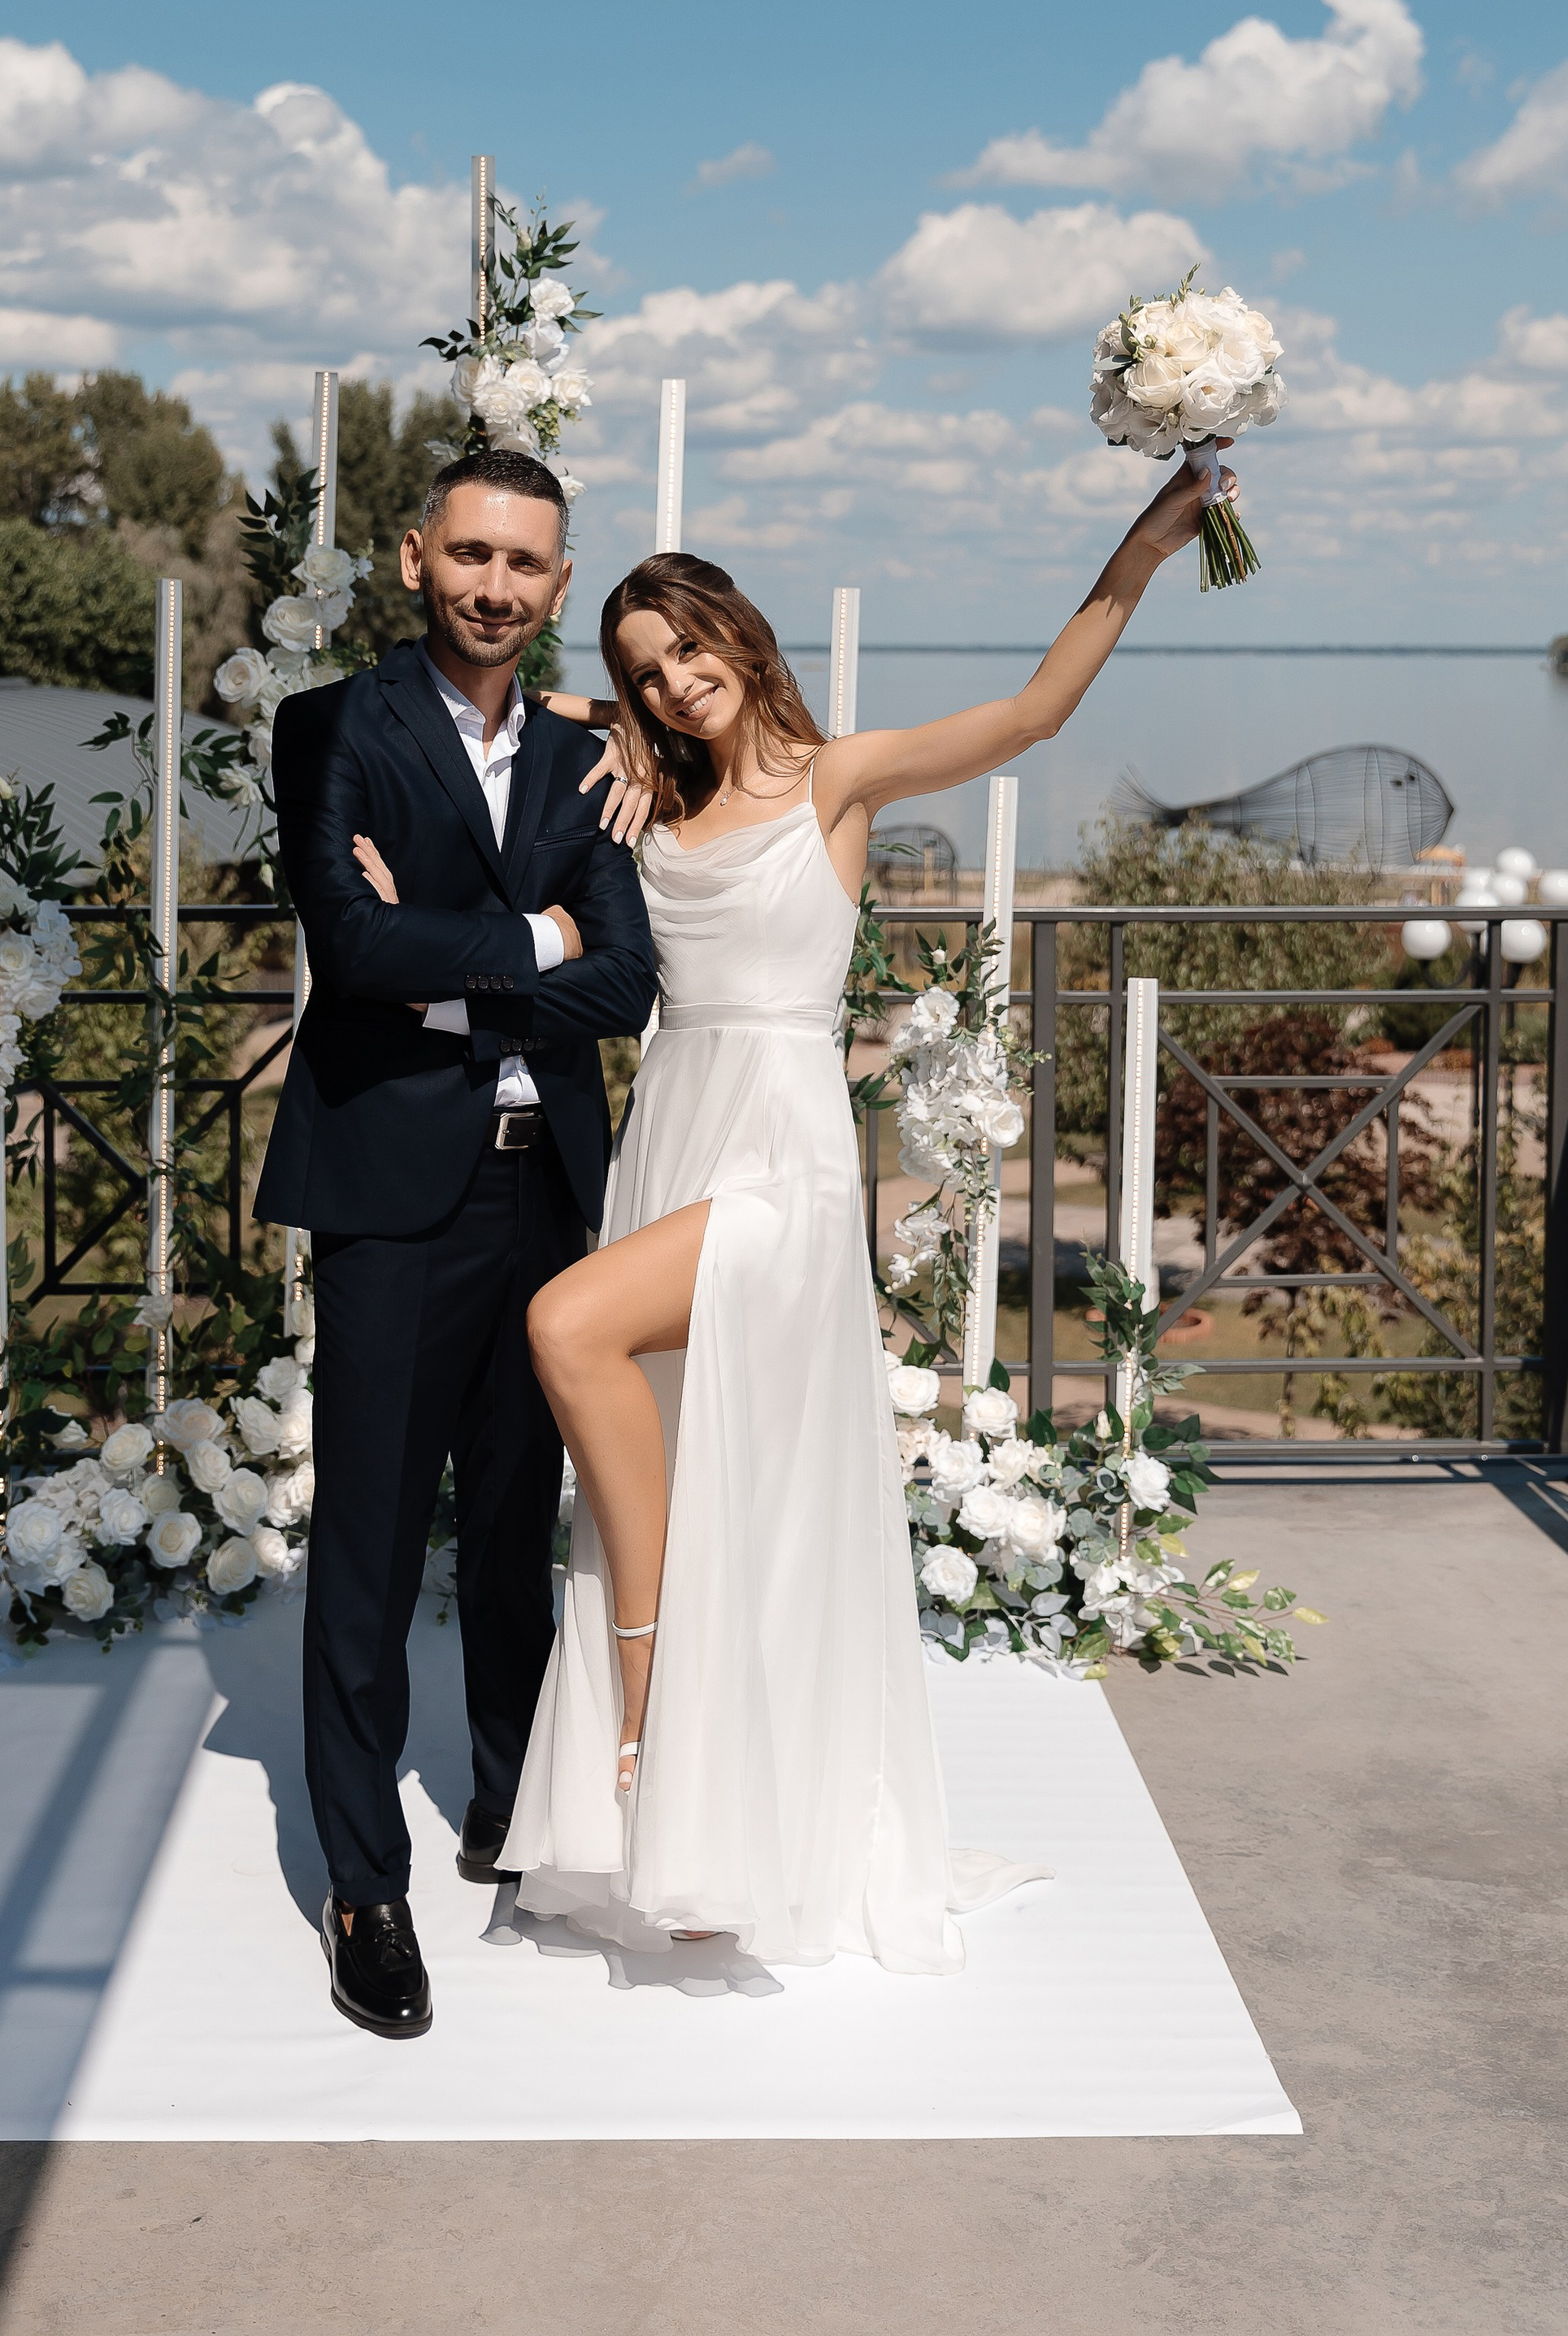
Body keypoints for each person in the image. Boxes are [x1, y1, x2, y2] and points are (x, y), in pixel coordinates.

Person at [490, 447, 1228, 1970]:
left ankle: (647, 1711)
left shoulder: (839, 780)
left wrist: (1150, 542)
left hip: (779, 1153)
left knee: (567, 1327)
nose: (674, 683)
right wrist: (581, 729)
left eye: (689, 649)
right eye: (645, 670)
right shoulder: (644, 782)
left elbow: (1031, 714)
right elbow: (487, 709)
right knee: (710, 1461)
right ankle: (706, 1836)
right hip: (671, 1130)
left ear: (740, 634)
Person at [255, 447, 656, 2040]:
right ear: (417, 557)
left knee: (509, 1529)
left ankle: (508, 1807)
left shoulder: (589, 760)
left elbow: (624, 981)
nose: (496, 586)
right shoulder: (330, 728)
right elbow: (349, 949)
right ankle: (365, 1887)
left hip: (544, 1196)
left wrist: (458, 956)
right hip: (386, 1199)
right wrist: (538, 937)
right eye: (472, 554)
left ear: (557, 586)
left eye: (526, 564)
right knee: (364, 1549)